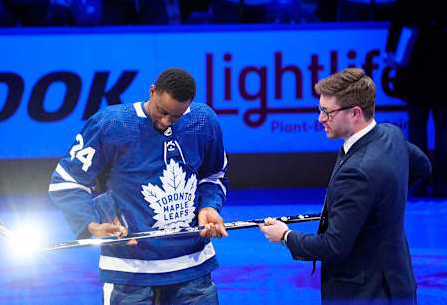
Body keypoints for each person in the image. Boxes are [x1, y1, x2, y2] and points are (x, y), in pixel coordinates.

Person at [49, 68, 229, 304]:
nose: (166, 122)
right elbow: (68, 180)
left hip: (193, 267)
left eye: (176, 116)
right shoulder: (111, 124)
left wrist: (209, 206)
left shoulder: (203, 120)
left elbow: (214, 174)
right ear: (152, 91)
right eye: (162, 111)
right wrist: (91, 225)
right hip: (129, 272)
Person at [260, 68, 431, 304]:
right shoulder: (391, 134)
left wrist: (286, 236)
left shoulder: (357, 172)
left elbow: (333, 247)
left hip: (366, 293)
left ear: (354, 113)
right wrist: (378, 204)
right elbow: (423, 166)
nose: (320, 119)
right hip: (398, 282)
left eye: (326, 112)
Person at [385, 0, 447, 197]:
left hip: (416, 52)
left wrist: (392, 47)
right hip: (441, 53)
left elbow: (400, 13)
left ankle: (421, 182)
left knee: (418, 122)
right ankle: (442, 183)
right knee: (443, 124)